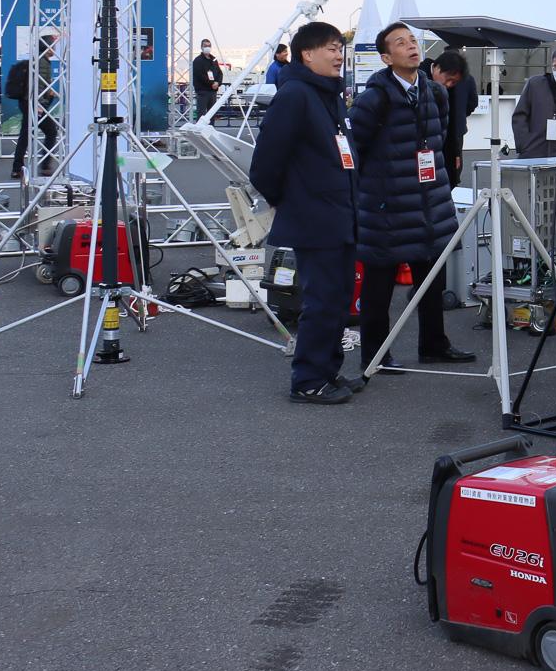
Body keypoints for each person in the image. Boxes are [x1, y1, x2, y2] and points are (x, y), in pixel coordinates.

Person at [349, 21, 475, 373]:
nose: (411, 46)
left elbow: (443, 143)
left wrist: (444, 186)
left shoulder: (436, 93)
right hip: (385, 208)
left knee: (431, 278)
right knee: (378, 288)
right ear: (387, 57)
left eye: (413, 40)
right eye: (400, 43)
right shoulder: (372, 99)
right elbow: (353, 154)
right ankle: (376, 355)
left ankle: (434, 345)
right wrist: (366, 200)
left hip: (429, 203)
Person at [248, 21, 360, 404]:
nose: (338, 54)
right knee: (322, 299)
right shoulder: (295, 94)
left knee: (338, 298)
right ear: (306, 54)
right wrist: (283, 198)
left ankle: (329, 371)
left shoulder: (328, 95)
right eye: (330, 48)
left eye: (340, 47)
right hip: (316, 216)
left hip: (341, 214)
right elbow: (265, 162)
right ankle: (308, 380)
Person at [419, 49, 475, 187]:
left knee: (449, 175)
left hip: (452, 136)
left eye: (454, 82)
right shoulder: (417, 77)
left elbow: (472, 103)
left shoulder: (461, 82)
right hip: (422, 140)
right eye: (448, 79)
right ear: (437, 68)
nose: (449, 85)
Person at [7, 36, 58, 179]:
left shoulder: (38, 60)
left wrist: (49, 92)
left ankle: (17, 168)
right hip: (35, 105)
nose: (55, 48)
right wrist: (39, 105)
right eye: (53, 45)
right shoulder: (42, 62)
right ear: (47, 47)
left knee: (25, 135)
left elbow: (40, 84)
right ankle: (45, 167)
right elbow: (37, 85)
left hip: (28, 103)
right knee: (51, 131)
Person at [192, 39, 225, 121]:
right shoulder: (198, 60)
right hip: (202, 91)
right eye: (205, 46)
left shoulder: (213, 59)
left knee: (212, 113)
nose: (207, 48)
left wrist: (218, 83)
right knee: (201, 113)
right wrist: (211, 83)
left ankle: (211, 129)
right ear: (202, 47)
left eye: (209, 46)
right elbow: (200, 75)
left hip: (212, 91)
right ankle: (200, 129)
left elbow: (219, 73)